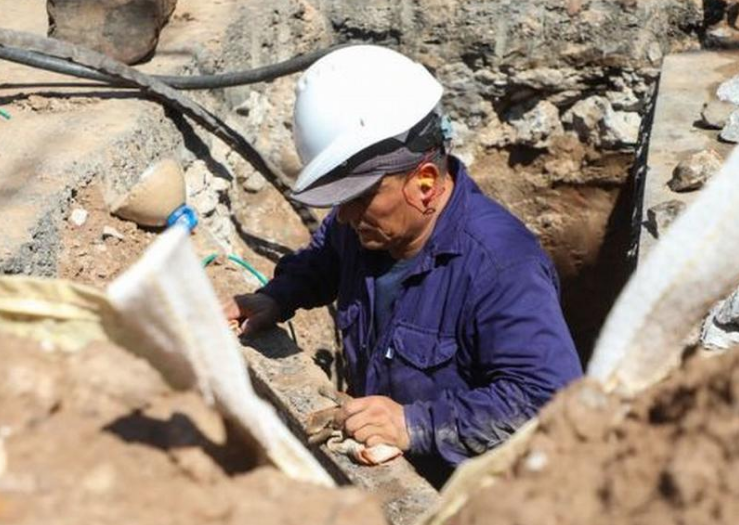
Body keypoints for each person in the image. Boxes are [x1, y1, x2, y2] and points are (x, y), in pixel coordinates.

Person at [224, 45, 582, 485]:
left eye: (358, 199)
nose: (346, 216)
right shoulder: (364, 227)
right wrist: (275, 298)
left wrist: (414, 424)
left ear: (425, 182)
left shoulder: (502, 266)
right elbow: (324, 259)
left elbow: (549, 400)